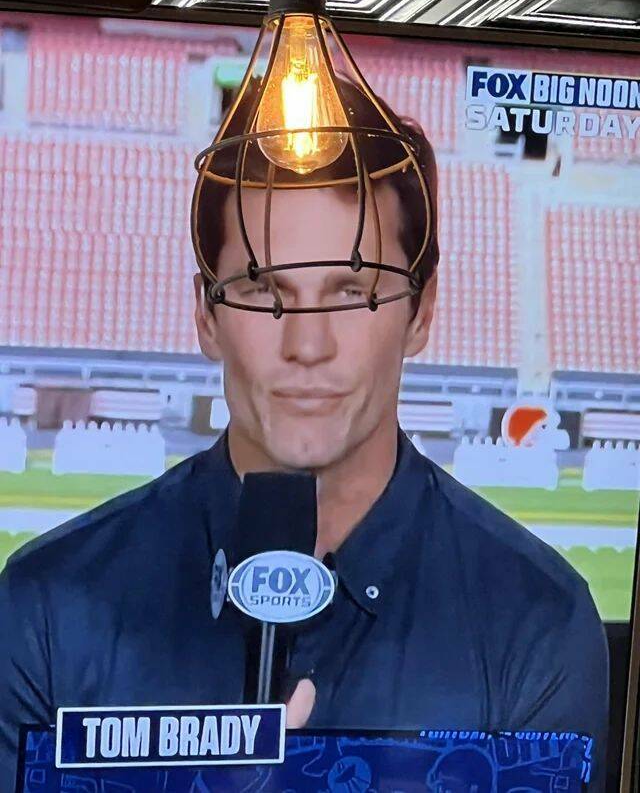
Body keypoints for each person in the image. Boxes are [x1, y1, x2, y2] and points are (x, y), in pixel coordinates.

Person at [0, 79, 608, 793]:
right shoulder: (46, 610)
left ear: (421, 312)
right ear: (206, 314)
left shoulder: (537, 623)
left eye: (354, 291)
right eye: (263, 289)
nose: (308, 345)